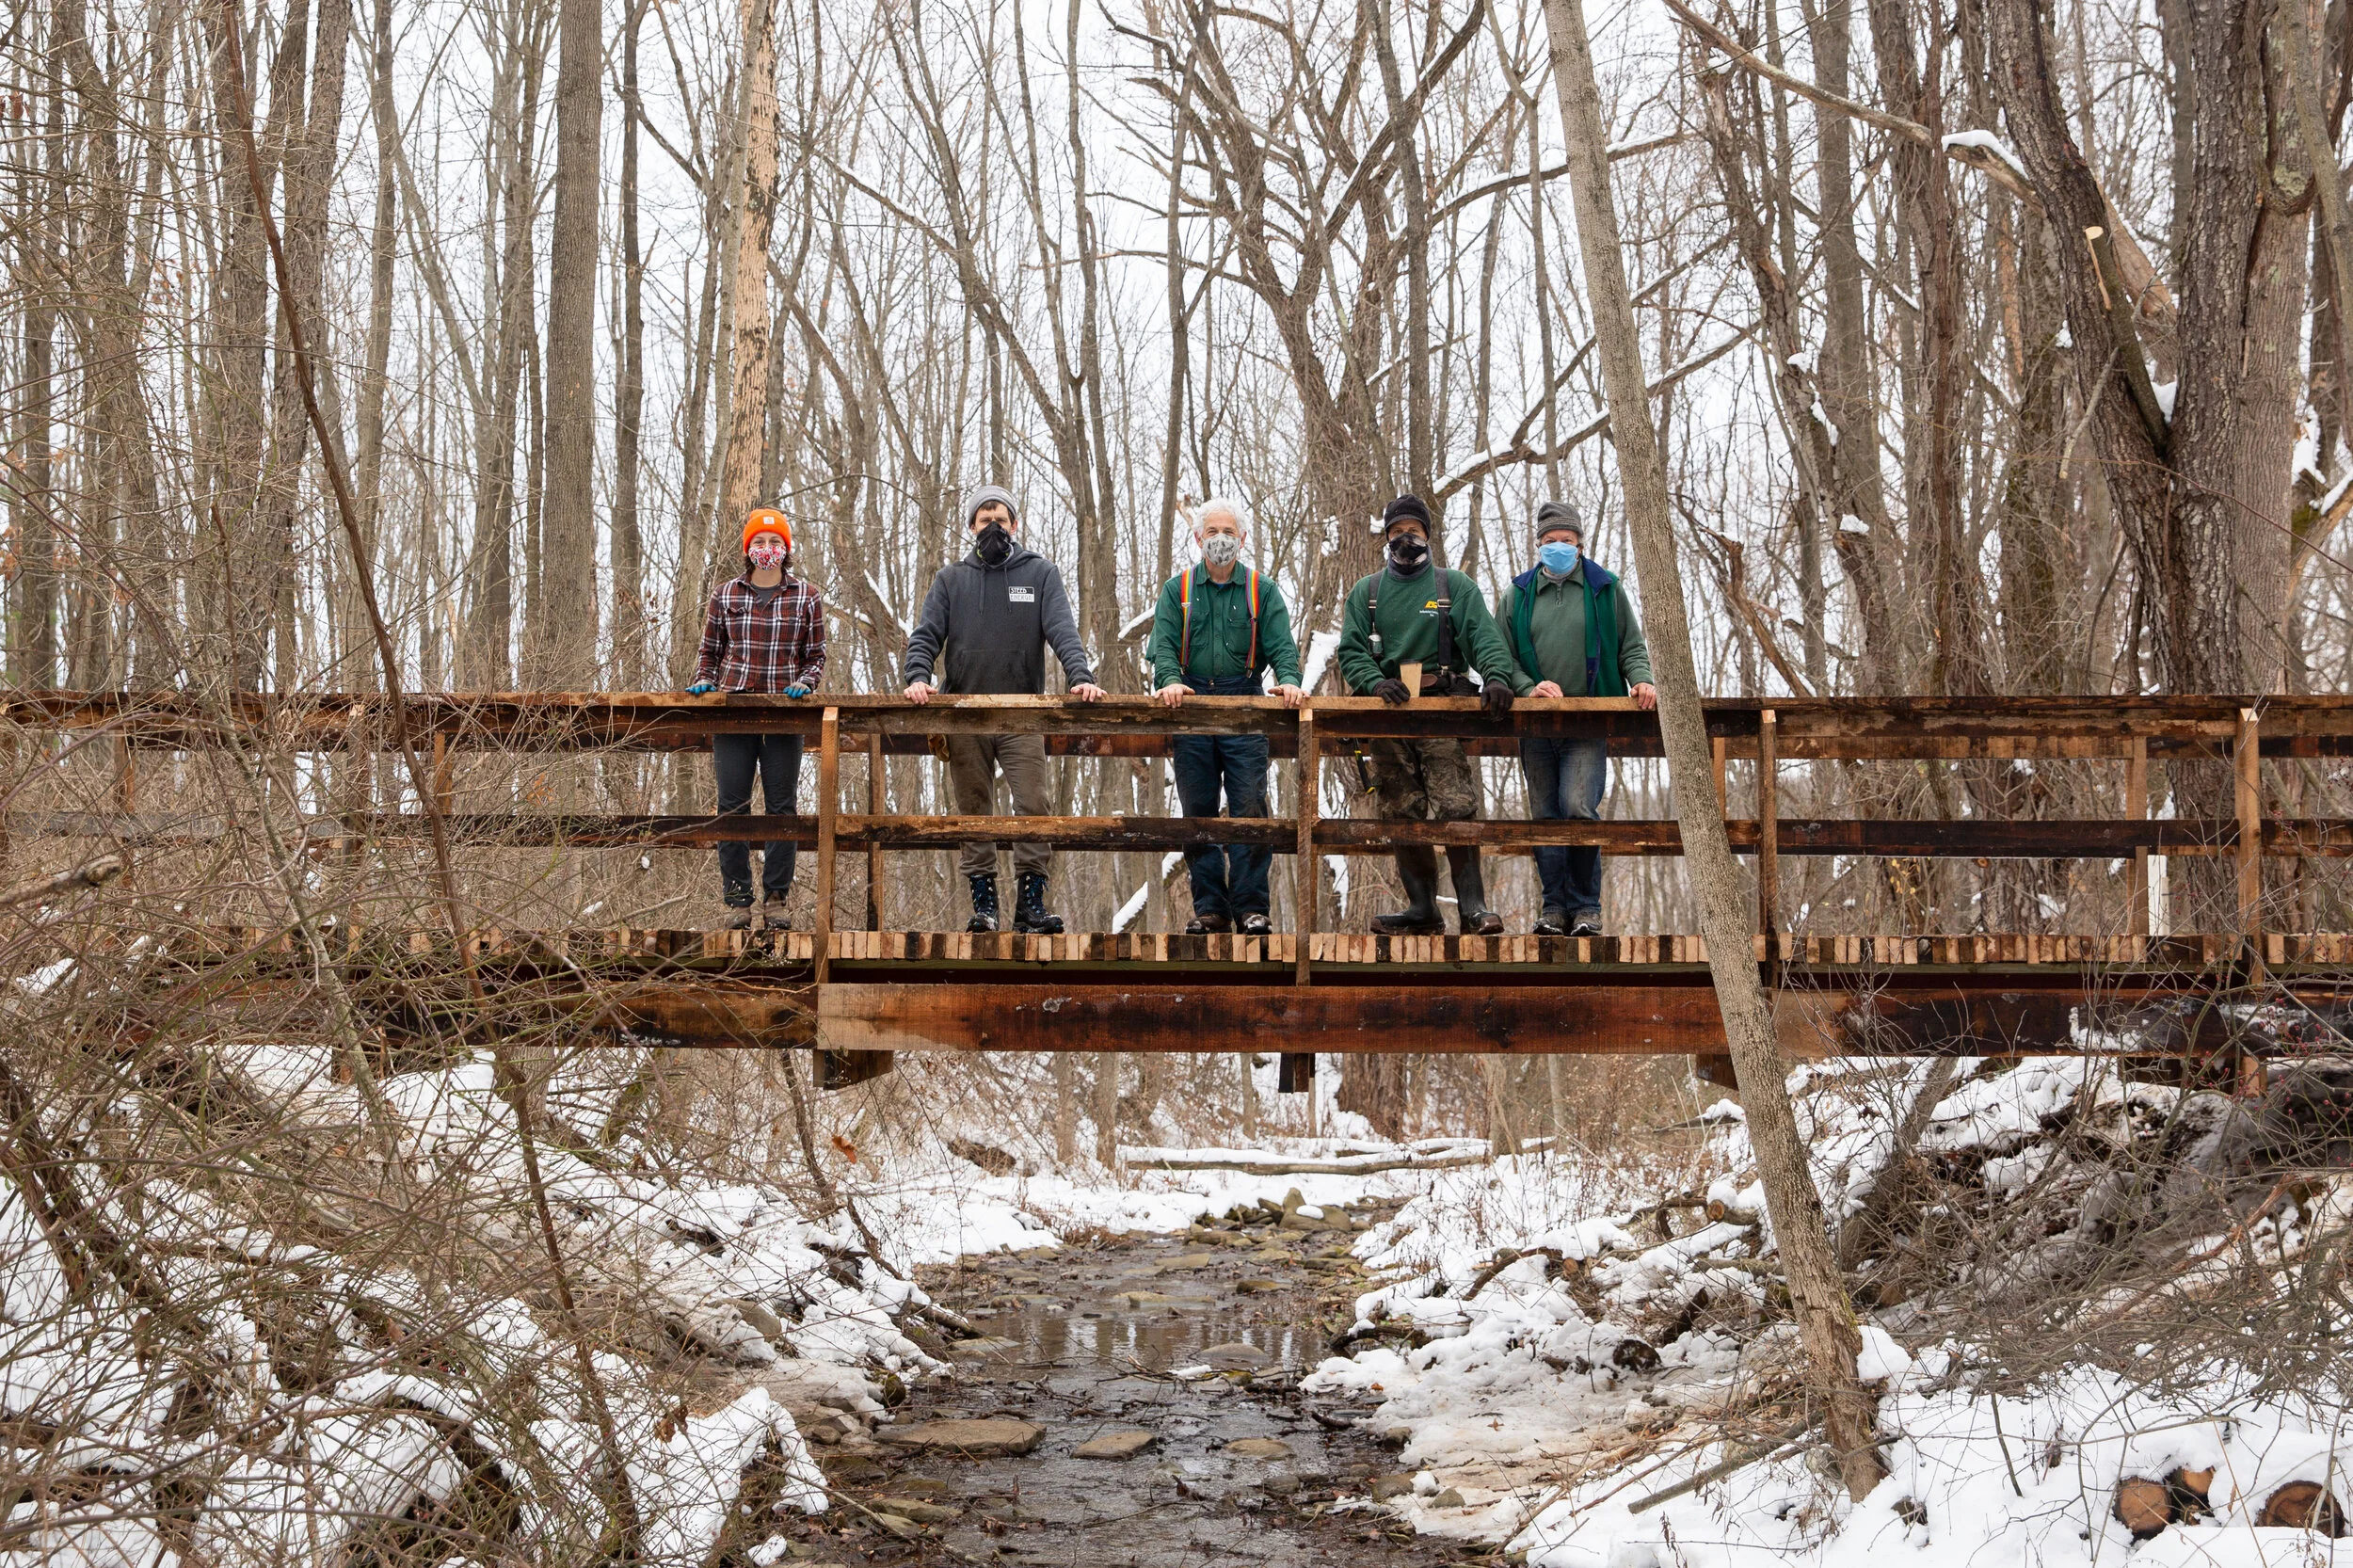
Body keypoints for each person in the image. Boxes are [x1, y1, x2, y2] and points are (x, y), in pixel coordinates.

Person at [904, 484, 1104, 934]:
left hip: (1022, 712)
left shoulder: (1040, 574)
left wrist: (1081, 677)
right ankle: (985, 908)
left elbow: (1062, 630)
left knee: (1033, 804)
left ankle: (1030, 906)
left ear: (1015, 524)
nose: (992, 526)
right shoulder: (951, 579)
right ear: (971, 527)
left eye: (1000, 518)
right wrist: (918, 676)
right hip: (965, 712)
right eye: (983, 519)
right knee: (974, 809)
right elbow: (926, 634)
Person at [1335, 494, 1520, 936]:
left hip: (1440, 710)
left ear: (1427, 537)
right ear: (1386, 538)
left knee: (1455, 802)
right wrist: (1374, 682)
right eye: (1397, 532)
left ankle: (1473, 908)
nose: (1405, 539)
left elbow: (1484, 637)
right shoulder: (1367, 592)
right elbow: (1350, 649)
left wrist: (1496, 677)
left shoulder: (1453, 586)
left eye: (1413, 532)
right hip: (1387, 713)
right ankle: (1422, 909)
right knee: (1400, 807)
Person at [1145, 499, 1306, 936]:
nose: (1220, 539)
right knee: (1198, 810)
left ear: (1243, 539)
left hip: (1245, 703)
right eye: (1212, 531)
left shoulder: (1262, 590)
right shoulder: (1176, 591)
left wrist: (1289, 679)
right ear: (1198, 539)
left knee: (1250, 807)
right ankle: (1210, 909)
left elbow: (1282, 647)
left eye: (1229, 532)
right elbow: (1161, 647)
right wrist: (1169, 679)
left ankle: (1252, 907)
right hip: (1190, 703)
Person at [1497, 501, 1657, 937]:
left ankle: (1586, 908)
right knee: (1545, 814)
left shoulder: (1606, 588)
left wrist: (1641, 679)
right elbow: (1499, 655)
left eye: (1565, 542)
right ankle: (1553, 909)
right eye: (1549, 542)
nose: (1557, 549)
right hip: (1535, 722)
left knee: (1578, 807)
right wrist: (1527, 687)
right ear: (1539, 546)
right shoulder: (1518, 593)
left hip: (1588, 720)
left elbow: (1631, 645)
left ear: (1580, 544)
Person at [687, 508, 825, 930]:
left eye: (775, 542)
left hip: (784, 715)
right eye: (759, 543)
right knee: (732, 806)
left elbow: (816, 655)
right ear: (748, 550)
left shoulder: (806, 596)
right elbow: (709, 652)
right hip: (734, 713)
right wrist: (704, 683)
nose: (768, 549)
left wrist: (806, 682)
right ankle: (737, 901)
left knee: (782, 808)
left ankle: (777, 899)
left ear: (787, 549)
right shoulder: (725, 595)